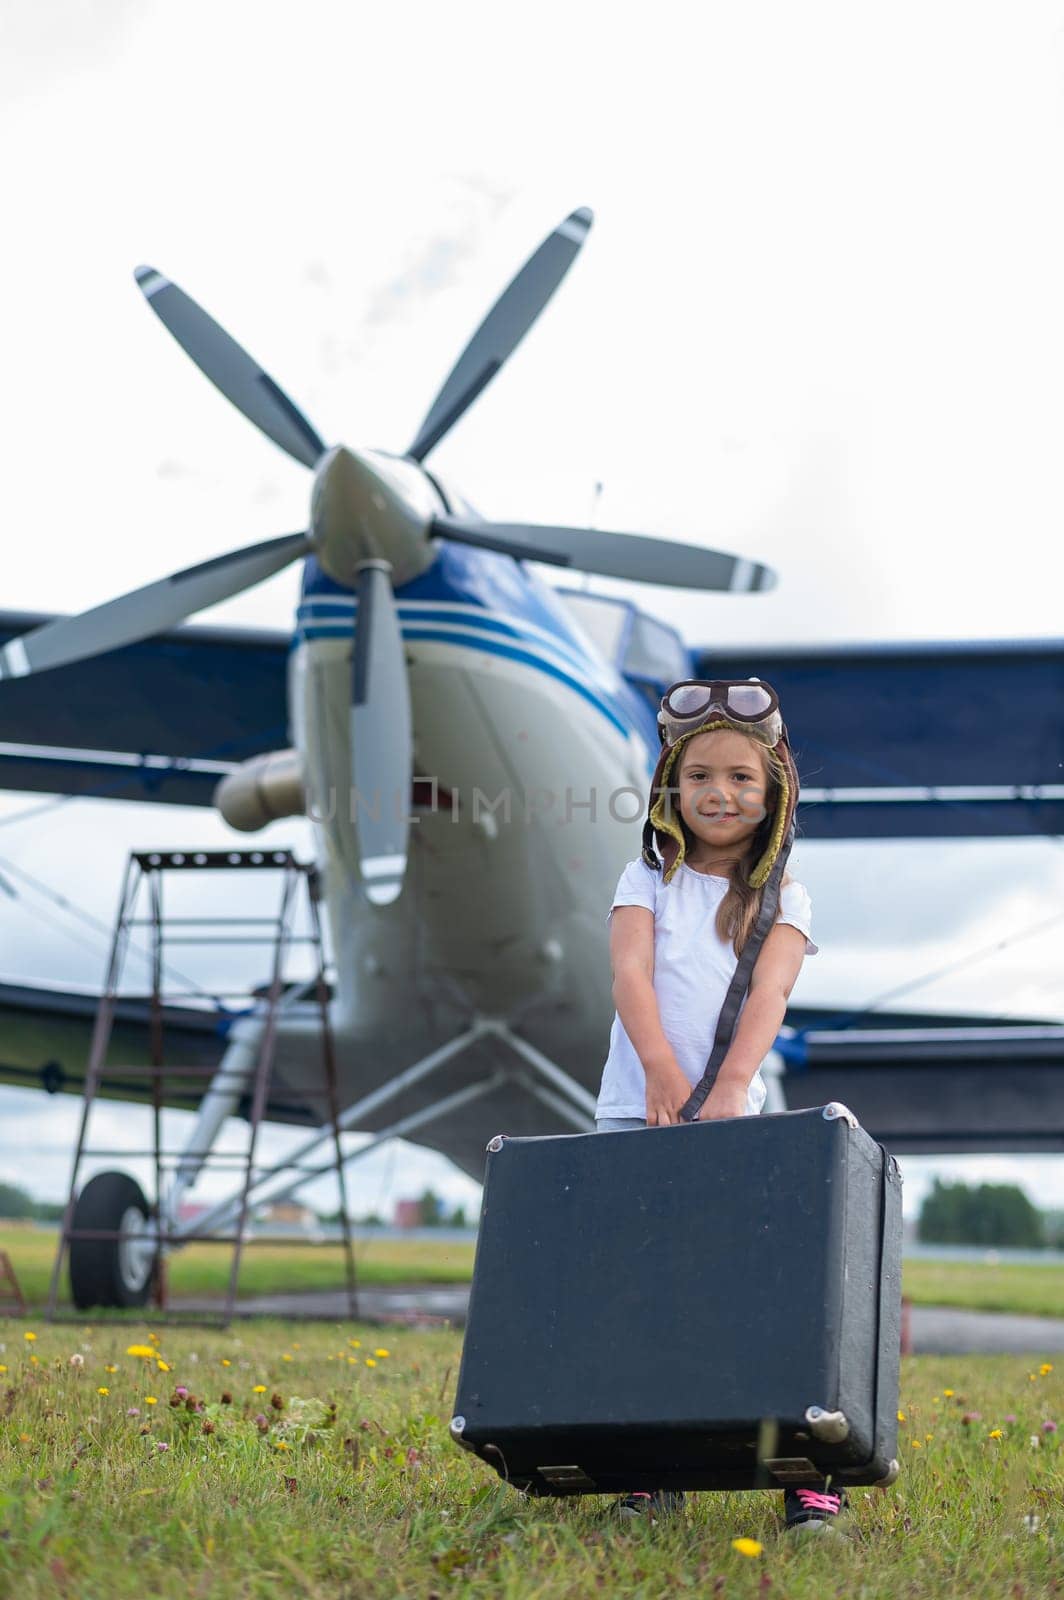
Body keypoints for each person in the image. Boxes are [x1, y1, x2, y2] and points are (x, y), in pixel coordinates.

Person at [596, 677, 847, 1537]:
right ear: (671, 789)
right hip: (636, 1113)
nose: (721, 793)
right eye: (700, 775)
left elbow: (770, 996)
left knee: (756, 1298)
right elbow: (631, 975)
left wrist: (731, 1088)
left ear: (773, 790)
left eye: (742, 777)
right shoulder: (645, 879)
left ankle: (804, 1473)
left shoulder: (788, 901)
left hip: (738, 1124)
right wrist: (662, 1072)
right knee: (646, 1299)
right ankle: (652, 1469)